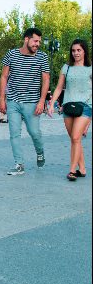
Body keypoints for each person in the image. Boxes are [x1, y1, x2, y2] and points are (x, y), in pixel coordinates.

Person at [0, 27, 50, 176]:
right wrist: (2, 99)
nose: (37, 44)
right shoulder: (11, 54)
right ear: (26, 39)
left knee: (34, 132)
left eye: (39, 41)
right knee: (14, 133)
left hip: (32, 102)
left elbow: (46, 79)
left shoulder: (42, 57)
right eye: (35, 41)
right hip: (13, 101)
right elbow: (3, 77)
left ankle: (40, 152)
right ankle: (19, 164)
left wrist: (42, 102)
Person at [48, 39, 92, 181]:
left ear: (84, 51)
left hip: (85, 107)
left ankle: (72, 171)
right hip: (68, 106)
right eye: (73, 50)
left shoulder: (90, 69)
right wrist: (51, 104)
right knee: (75, 139)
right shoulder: (66, 68)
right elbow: (59, 87)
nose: (76, 53)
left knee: (75, 137)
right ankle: (83, 169)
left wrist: (89, 121)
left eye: (79, 50)